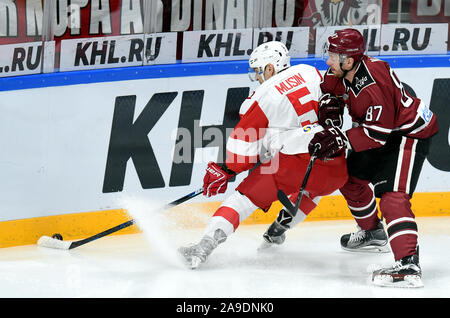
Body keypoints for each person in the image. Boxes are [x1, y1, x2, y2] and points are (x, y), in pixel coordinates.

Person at [178, 41, 348, 269]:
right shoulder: (311, 72)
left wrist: (227, 169)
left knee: (242, 200)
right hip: (336, 163)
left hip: (293, 163)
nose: (257, 78)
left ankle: (204, 247)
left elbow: (242, 150)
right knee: (313, 189)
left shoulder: (261, 96)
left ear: (270, 68)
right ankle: (278, 231)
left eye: (258, 71)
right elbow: (339, 95)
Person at [308, 28, 438, 288]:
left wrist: (340, 137)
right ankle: (373, 232)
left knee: (392, 196)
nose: (328, 61)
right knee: (348, 176)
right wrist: (329, 110)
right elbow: (330, 92)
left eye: (334, 56)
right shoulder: (342, 71)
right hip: (383, 132)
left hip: (408, 135)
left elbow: (378, 135)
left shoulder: (372, 85)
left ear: (349, 60)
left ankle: (408, 265)